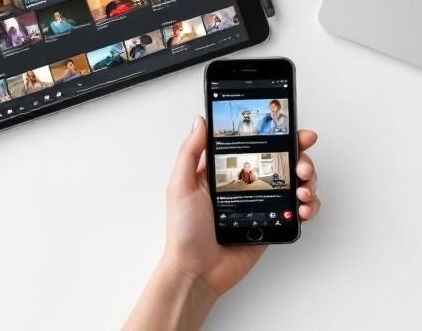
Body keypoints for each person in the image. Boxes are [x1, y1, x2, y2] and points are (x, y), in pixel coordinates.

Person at [122, 118, 320, 331]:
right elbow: (242, 180)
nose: (246, 166)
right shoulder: (241, 168)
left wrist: (190, 273)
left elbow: (253, 180)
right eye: (245, 164)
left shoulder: (255, 167)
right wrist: (188, 269)